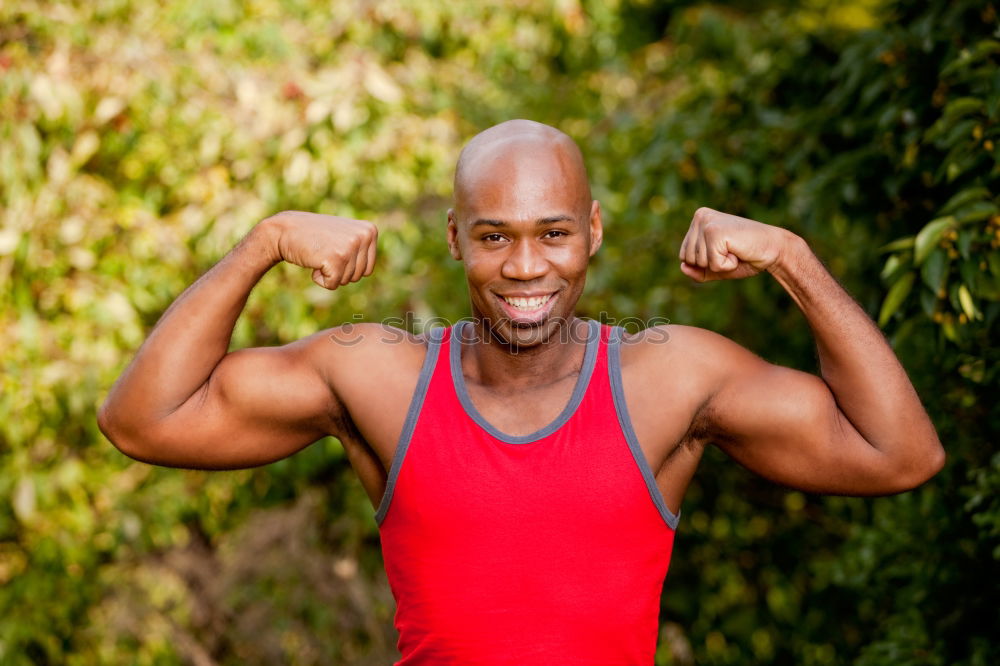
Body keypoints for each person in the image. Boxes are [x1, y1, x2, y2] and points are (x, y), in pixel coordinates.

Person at [98, 119, 945, 664]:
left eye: (554, 234)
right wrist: (263, 244)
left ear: (595, 233)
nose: (526, 267)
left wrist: (790, 258)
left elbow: (899, 453)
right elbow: (145, 421)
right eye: (495, 236)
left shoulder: (666, 379)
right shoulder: (378, 376)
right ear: (455, 237)